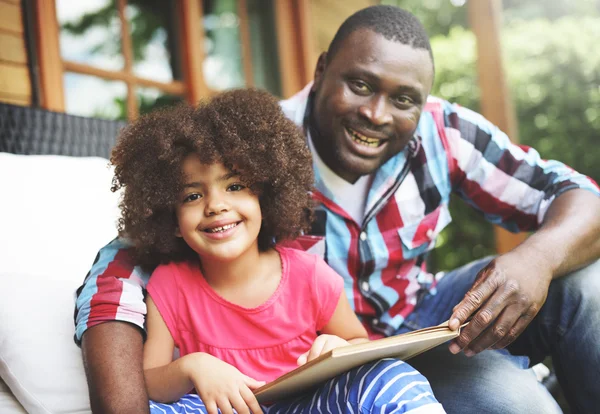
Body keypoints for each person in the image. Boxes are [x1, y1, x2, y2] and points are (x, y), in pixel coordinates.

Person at [74, 5, 600, 414]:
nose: (375, 114)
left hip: (430, 321)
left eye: (404, 99)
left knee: (587, 283)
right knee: (515, 402)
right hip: (329, 370)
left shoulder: (446, 133)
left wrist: (538, 258)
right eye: (361, 84)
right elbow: (120, 270)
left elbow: (582, 198)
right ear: (323, 69)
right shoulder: (248, 153)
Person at [104, 88, 445, 414]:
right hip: (226, 408)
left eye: (235, 186)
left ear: (265, 197)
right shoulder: (170, 284)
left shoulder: (311, 275)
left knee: (389, 377)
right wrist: (194, 366)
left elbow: (359, 343)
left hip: (313, 406)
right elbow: (151, 382)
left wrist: (340, 348)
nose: (216, 206)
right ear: (171, 219)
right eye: (192, 196)